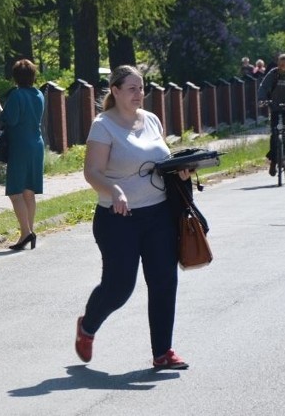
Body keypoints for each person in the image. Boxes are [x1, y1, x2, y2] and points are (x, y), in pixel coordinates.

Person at [75, 65, 191, 370]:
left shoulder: (151, 120)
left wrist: (181, 170)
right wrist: (114, 191)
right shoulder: (103, 126)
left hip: (159, 213)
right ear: (115, 91)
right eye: (132, 89)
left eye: (141, 88)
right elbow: (92, 172)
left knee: (164, 280)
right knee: (119, 287)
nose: (139, 94)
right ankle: (88, 326)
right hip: (117, 218)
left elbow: (161, 162)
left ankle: (163, 352)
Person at [0, 59, 44, 251]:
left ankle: (26, 232)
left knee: (15, 191)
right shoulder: (39, 94)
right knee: (29, 191)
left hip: (20, 146)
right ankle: (29, 230)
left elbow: (11, 120)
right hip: (36, 144)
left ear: (15, 77)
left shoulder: (16, 95)